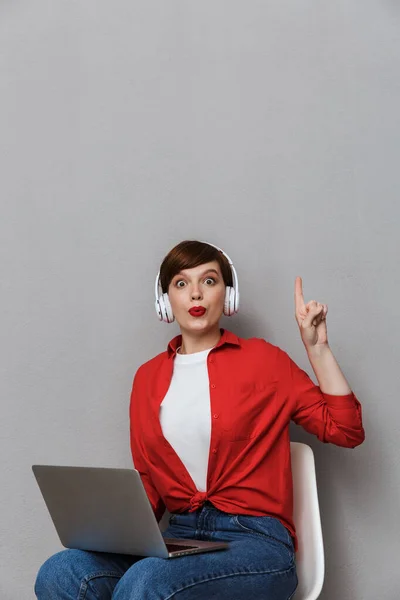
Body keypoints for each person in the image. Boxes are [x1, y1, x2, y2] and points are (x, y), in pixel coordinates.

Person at [35, 239, 365, 599]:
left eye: (209, 281)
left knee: (149, 580)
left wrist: (317, 349)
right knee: (62, 572)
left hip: (257, 543)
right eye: (181, 284)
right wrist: (111, 529)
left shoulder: (265, 361)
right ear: (165, 301)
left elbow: (345, 430)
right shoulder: (147, 378)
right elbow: (148, 482)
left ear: (228, 294)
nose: (195, 294)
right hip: (181, 537)